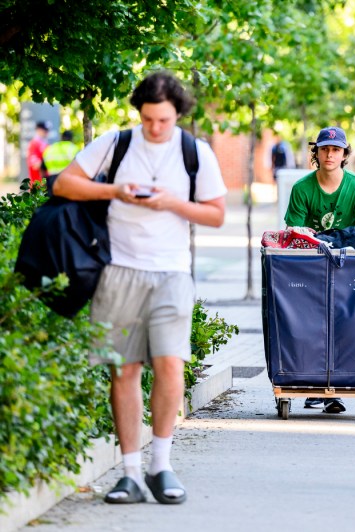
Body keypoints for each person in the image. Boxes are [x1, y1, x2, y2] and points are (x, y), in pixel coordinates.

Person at [54, 71, 227, 505]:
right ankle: (130, 472)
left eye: (164, 121)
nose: (155, 128)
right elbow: (63, 184)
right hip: (118, 271)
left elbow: (216, 214)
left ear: (178, 115)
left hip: (171, 273)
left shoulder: (195, 153)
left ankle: (161, 466)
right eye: (148, 119)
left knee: (171, 366)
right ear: (139, 113)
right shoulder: (116, 143)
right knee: (124, 370)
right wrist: (116, 191)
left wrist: (172, 203)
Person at [284, 126, 355, 413]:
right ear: (317, 152)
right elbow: (292, 233)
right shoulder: (302, 188)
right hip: (309, 268)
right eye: (324, 149)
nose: (329, 154)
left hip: (347, 267)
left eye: (336, 149)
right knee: (309, 323)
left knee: (345, 322)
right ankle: (313, 385)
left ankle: (336, 389)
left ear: (345, 153)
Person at [27, 121, 49, 185]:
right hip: (37, 183)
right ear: (38, 130)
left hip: (44, 182)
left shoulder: (45, 144)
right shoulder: (34, 144)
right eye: (45, 131)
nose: (46, 133)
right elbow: (35, 165)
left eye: (47, 131)